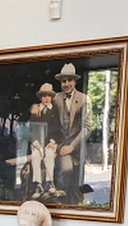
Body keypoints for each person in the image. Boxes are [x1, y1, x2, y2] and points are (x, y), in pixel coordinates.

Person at [52, 63, 88, 203]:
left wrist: (72, 147)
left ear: (75, 81)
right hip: (61, 146)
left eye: (69, 80)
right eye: (63, 81)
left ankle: (74, 206)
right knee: (66, 172)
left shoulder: (84, 99)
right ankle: (63, 204)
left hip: (76, 147)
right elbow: (49, 121)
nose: (66, 84)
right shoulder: (55, 99)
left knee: (76, 184)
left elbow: (87, 127)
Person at [26, 82, 62, 199]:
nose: (46, 98)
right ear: (40, 97)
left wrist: (52, 141)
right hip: (38, 142)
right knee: (36, 156)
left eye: (48, 96)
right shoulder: (36, 110)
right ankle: (38, 184)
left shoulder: (55, 110)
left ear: (51, 97)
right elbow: (32, 128)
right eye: (44, 96)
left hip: (50, 142)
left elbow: (58, 128)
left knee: (50, 155)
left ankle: (49, 181)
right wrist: (35, 142)